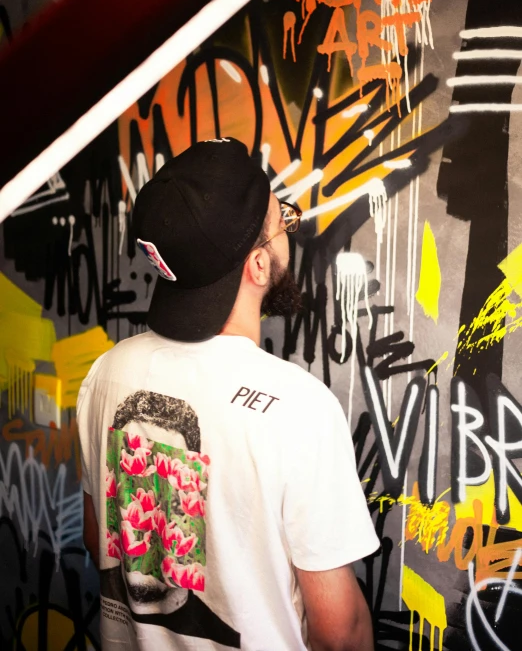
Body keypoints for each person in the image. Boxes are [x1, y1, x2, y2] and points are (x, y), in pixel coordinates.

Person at [77, 137, 379, 651]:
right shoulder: (300, 410)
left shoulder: (105, 374)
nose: (290, 230)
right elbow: (340, 632)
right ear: (258, 266)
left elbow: (96, 537)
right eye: (283, 221)